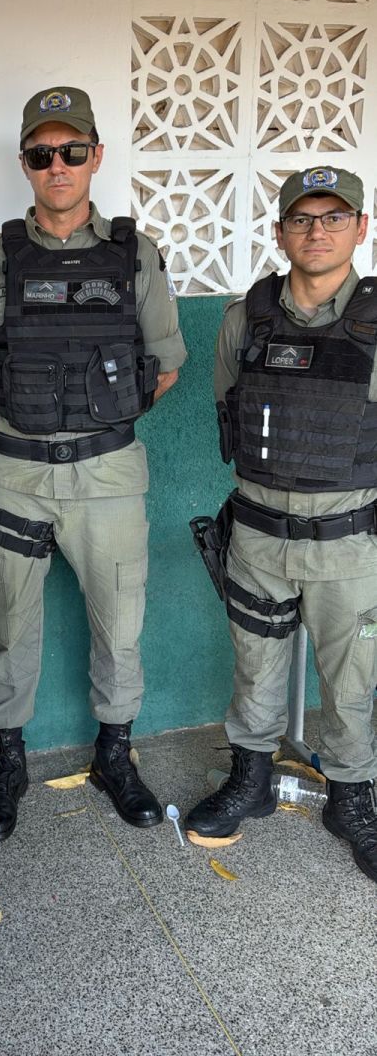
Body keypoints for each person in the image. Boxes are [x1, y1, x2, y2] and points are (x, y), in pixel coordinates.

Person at [0, 86, 187, 840]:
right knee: (8, 624)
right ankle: (9, 762)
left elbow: (166, 366)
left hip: (108, 475)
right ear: (25, 163)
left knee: (119, 626)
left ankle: (115, 756)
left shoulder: (135, 255)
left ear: (95, 157)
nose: (58, 165)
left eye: (72, 151)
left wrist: (91, 419)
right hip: (17, 476)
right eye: (43, 153)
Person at [185, 167, 377, 885]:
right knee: (254, 665)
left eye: (334, 218)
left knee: (351, 678)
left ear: (360, 228)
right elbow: (229, 408)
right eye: (301, 218)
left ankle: (352, 799)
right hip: (259, 537)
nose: (316, 231)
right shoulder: (246, 319)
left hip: (349, 541)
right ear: (279, 231)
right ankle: (251, 779)